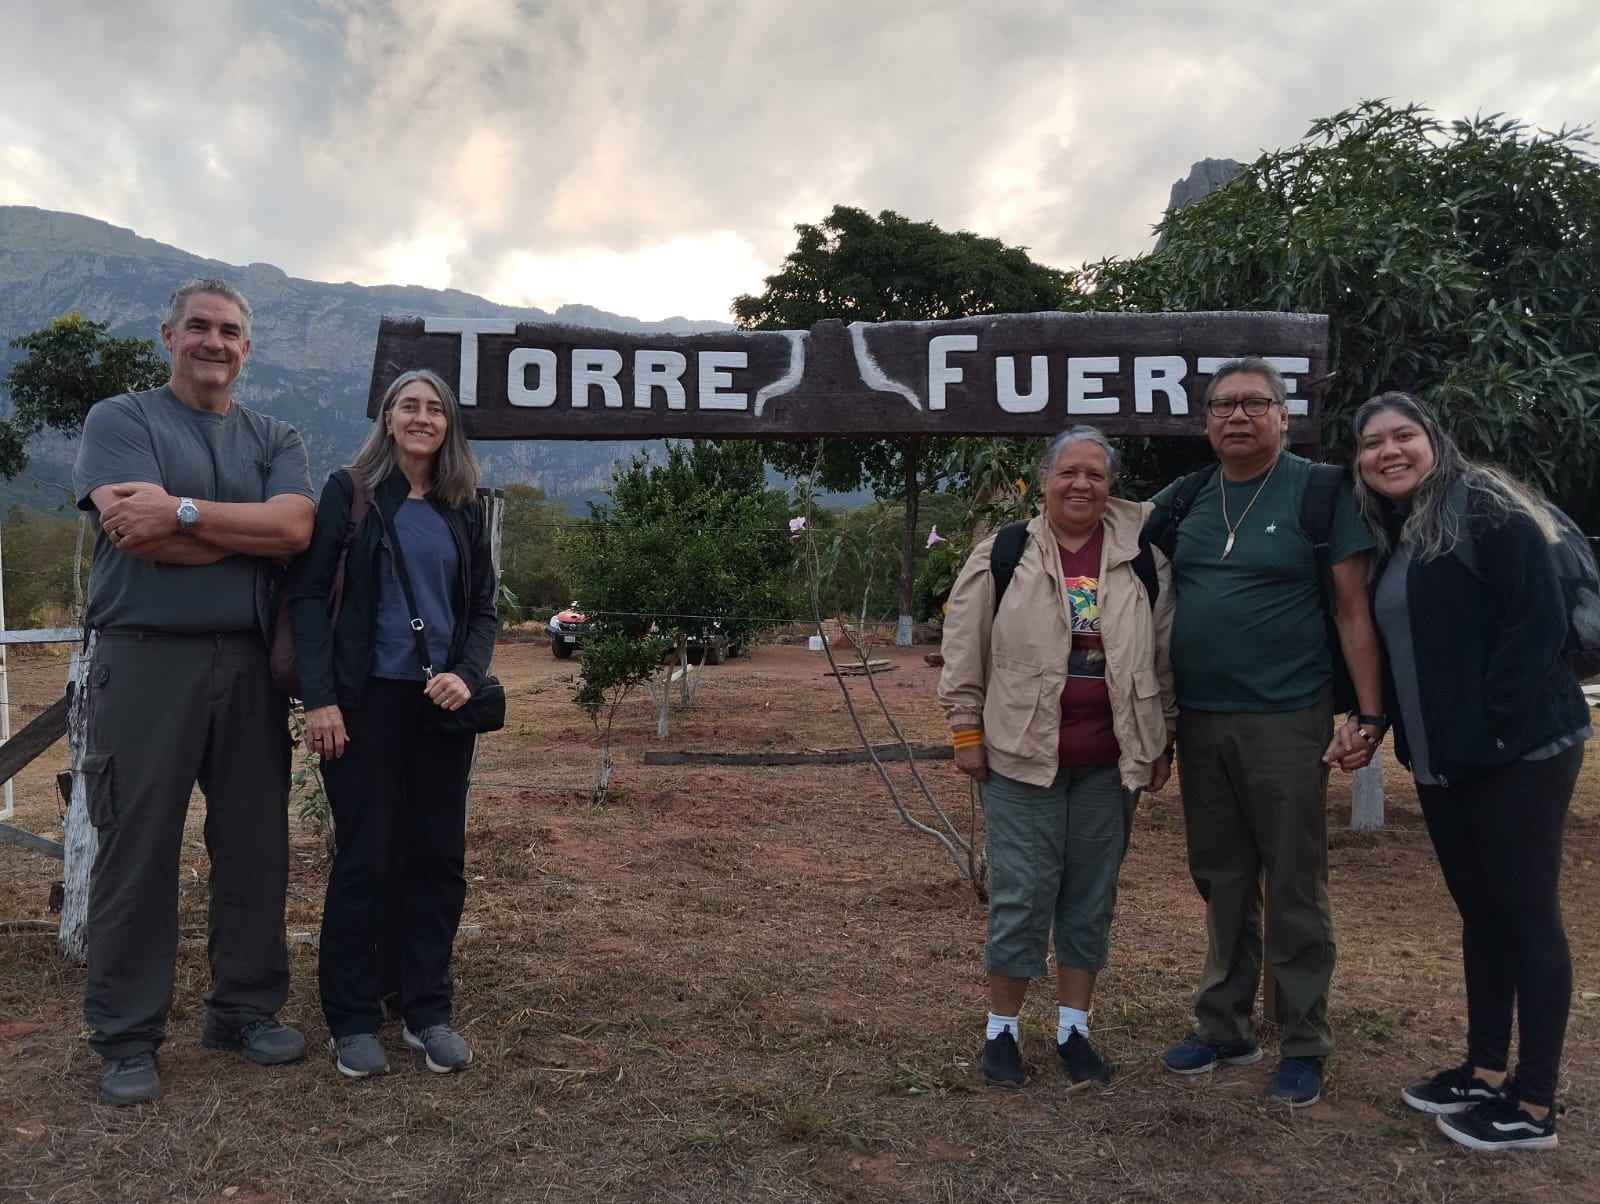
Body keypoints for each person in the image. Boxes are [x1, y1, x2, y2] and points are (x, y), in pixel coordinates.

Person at [72, 277, 316, 1105]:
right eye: (201, 327)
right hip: (146, 657)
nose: (216, 342)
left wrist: (178, 512)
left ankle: (244, 1011)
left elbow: (296, 529)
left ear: (248, 347)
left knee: (255, 844)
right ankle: (126, 1035)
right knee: (137, 849)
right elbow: (134, 535)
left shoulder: (275, 435)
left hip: (249, 663)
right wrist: (244, 533)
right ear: (168, 335)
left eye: (231, 331)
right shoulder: (122, 419)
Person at [1351, 390, 1588, 1150]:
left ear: (1435, 440)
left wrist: (1493, 728)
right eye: (1372, 442)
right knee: (1482, 915)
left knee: (1526, 915)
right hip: (1445, 759)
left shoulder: (1482, 504)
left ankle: (1535, 1105)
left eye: (1403, 435)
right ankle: (1485, 1071)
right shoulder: (1400, 530)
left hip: (1518, 753)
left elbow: (1538, 619)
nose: (1388, 451)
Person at [1149, 357, 1383, 1108]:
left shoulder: (1319, 492)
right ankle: (1224, 1026)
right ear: (1206, 422)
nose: (1238, 416)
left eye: (1255, 403)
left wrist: (1369, 715)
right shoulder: (1186, 498)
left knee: (1294, 881)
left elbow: (1352, 611)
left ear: (1284, 416)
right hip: (1201, 718)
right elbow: (1110, 544)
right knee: (1220, 877)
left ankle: (1306, 1040)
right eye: (1223, 405)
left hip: (1288, 717)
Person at [939, 425, 1176, 1089]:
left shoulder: (1143, 558)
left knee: (1090, 897)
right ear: (1043, 481)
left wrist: (1163, 738)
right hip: (1019, 756)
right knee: (1022, 895)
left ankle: (1074, 1028)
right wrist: (965, 731)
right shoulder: (1005, 552)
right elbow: (963, 646)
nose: (1081, 484)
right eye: (1067, 472)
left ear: (1111, 484)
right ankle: (1002, 1030)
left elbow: (1163, 656)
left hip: (1111, 763)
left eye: (1095, 474)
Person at [289, 368, 497, 1079]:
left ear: (448, 425)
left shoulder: (462, 506)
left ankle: (426, 1009)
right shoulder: (350, 493)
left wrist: (467, 673)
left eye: (435, 408)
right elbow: (308, 597)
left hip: (441, 705)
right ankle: (351, 1019)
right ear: (387, 417)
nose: (422, 417)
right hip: (363, 703)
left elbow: (483, 608)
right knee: (366, 856)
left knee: (438, 857)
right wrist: (320, 699)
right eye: (409, 405)